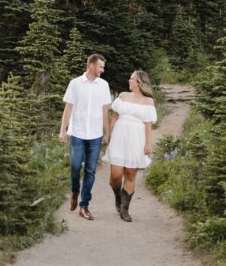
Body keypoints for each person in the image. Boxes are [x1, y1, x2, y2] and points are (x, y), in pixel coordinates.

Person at [59, 54, 110, 221]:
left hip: (95, 134)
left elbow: (105, 111)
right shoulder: (75, 84)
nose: (102, 70)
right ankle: (74, 191)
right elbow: (68, 108)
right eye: (100, 67)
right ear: (92, 66)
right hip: (77, 133)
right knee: (75, 167)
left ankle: (84, 205)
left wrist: (107, 132)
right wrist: (62, 130)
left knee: (90, 170)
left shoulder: (103, 85)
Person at [104, 69, 157, 222]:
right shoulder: (122, 96)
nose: (129, 80)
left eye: (132, 79)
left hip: (137, 139)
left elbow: (148, 124)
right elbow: (114, 117)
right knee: (115, 175)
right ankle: (117, 195)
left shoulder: (148, 101)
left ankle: (124, 209)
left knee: (130, 173)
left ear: (140, 83)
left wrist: (148, 144)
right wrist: (108, 135)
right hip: (119, 138)